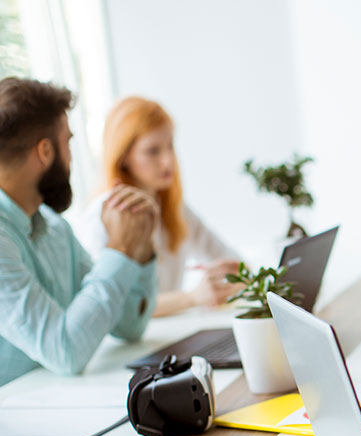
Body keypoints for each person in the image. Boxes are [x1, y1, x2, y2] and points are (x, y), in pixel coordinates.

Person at [0, 78, 157, 386]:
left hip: (56, 402)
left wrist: (139, 247)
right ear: (45, 151)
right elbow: (66, 352)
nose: (71, 157)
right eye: (68, 142)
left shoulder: (54, 227)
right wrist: (119, 251)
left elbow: (129, 325)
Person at [78, 97, 240, 317]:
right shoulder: (103, 214)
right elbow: (112, 310)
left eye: (170, 146)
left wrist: (230, 279)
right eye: (153, 151)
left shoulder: (173, 207)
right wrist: (191, 298)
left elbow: (231, 261)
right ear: (124, 157)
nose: (168, 161)